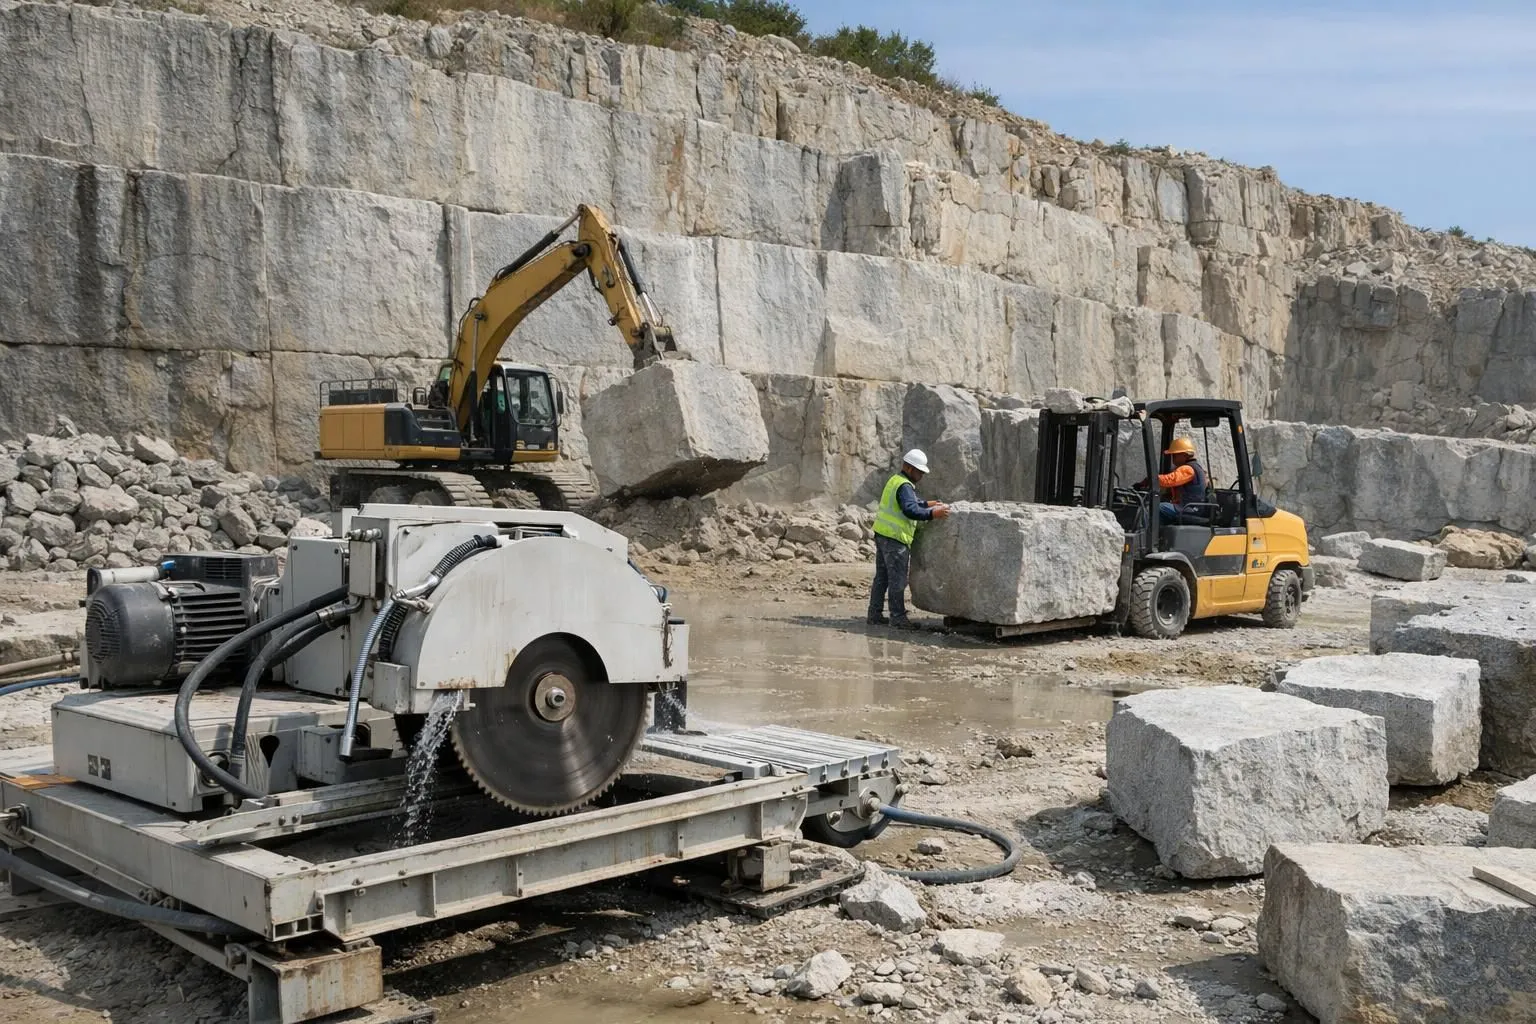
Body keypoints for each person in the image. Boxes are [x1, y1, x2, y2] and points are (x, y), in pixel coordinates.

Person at [868, 449, 950, 629]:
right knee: (897, 580)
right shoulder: (904, 486)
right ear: (908, 467)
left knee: (881, 578)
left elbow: (910, 503)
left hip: (883, 535)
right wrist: (933, 514)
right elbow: (910, 510)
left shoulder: (896, 481)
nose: (921, 475)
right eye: (919, 471)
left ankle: (874, 614)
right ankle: (897, 618)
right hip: (895, 539)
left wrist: (927, 504)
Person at [1137, 436, 1207, 524]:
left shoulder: (1187, 469)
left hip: (1189, 508)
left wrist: (1151, 479)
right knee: (1161, 505)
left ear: (1185, 455)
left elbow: (1169, 480)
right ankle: (1159, 533)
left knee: (1154, 508)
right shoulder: (1194, 467)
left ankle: (1145, 534)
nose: (1172, 458)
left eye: (1175, 455)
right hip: (1188, 506)